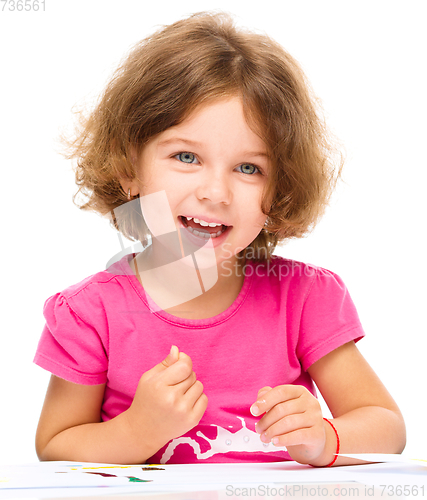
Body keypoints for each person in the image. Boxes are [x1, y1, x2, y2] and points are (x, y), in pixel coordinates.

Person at [34, 11, 405, 466]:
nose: (215, 192)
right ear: (128, 168)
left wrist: (325, 437)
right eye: (186, 156)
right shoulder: (90, 315)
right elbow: (55, 448)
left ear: (280, 189)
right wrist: (136, 430)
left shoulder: (305, 299)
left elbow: (385, 425)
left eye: (248, 168)